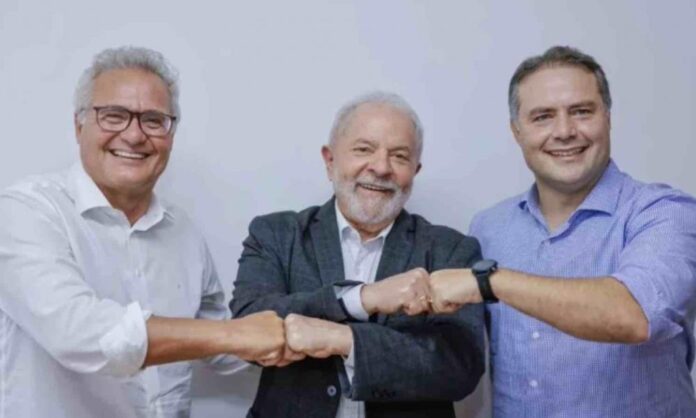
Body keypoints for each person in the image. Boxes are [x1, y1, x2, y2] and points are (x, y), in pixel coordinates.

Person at [0, 46, 285, 418]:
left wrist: (322, 327)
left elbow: (221, 345)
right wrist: (237, 335)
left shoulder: (183, 232)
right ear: (79, 126)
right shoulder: (26, 211)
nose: (134, 136)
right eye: (114, 116)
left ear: (171, 133)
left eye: (153, 120)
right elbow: (78, 334)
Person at [423, 46, 696, 417]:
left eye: (582, 111)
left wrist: (490, 282)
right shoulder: (489, 227)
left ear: (608, 118)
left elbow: (635, 315)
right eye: (543, 117)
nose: (565, 131)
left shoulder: (664, 213)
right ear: (517, 132)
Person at [230, 91, 485, 418]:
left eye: (399, 156)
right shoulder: (276, 234)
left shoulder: (453, 250)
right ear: (330, 160)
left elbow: (459, 367)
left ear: (415, 171)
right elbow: (246, 332)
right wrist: (362, 299)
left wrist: (345, 339)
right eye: (364, 149)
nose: (381, 167)